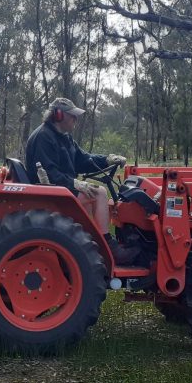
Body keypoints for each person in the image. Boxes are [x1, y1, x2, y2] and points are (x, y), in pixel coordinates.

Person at [24, 98, 137, 264]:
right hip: (49, 193)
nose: (75, 120)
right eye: (72, 116)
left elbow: (83, 160)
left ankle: (93, 244)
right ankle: (108, 247)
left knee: (95, 197)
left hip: (60, 188)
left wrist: (107, 160)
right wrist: (75, 183)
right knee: (99, 194)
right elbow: (48, 172)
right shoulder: (44, 137)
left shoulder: (64, 137)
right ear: (59, 115)